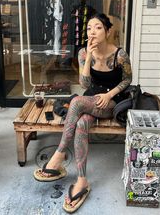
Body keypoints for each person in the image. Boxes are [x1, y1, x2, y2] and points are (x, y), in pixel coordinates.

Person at [33, 13, 132, 213]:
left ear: (107, 31)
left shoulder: (119, 54)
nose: (92, 32)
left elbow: (127, 80)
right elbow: (85, 84)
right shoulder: (82, 53)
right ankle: (82, 180)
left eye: (97, 27)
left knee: (76, 102)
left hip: (112, 102)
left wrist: (110, 94)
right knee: (81, 123)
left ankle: (59, 155)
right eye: (89, 28)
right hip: (91, 100)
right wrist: (87, 57)